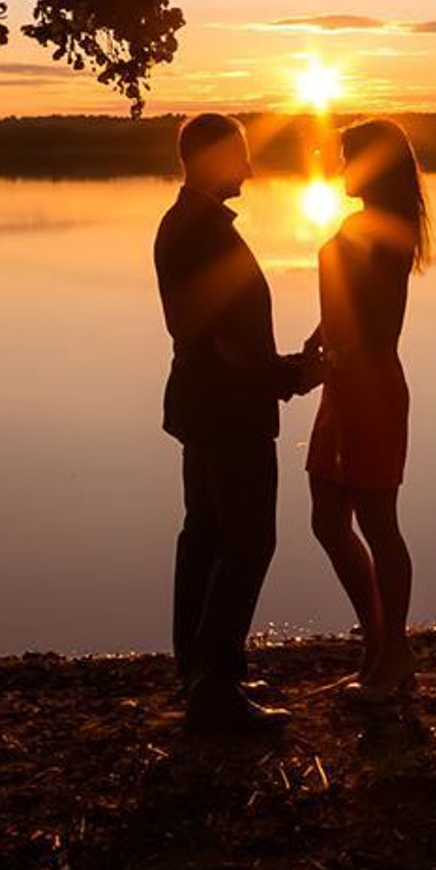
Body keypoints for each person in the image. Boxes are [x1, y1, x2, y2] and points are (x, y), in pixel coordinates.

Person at [154, 112, 322, 734]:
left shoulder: (183, 222)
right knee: (248, 540)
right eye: (241, 155)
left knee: (204, 535)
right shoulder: (205, 234)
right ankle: (214, 689)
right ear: (208, 158)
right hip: (228, 412)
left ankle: (200, 670)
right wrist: (295, 376)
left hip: (201, 407)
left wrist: (290, 367)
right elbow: (228, 343)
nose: (250, 168)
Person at [305, 118, 428, 700]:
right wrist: (317, 342)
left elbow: (377, 320)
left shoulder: (382, 227)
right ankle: (379, 642)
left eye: (347, 157)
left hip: (370, 387)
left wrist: (338, 353)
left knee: (379, 524)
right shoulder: (364, 225)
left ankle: (392, 650)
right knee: (328, 521)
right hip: (343, 385)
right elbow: (347, 303)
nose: (339, 167)